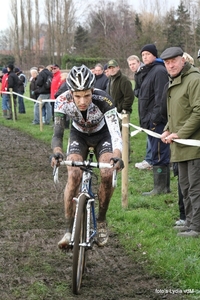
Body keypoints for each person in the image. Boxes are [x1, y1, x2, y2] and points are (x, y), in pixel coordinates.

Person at [50, 65, 124, 249]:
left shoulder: (104, 100)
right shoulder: (62, 100)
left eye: (87, 95)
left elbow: (116, 134)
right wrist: (58, 151)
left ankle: (101, 220)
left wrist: (117, 156)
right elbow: (58, 133)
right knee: (74, 175)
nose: (82, 101)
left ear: (93, 90)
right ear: (70, 93)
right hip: (79, 135)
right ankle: (68, 230)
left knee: (107, 174)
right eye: (77, 96)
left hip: (103, 135)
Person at [160, 46, 200, 237]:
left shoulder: (194, 79)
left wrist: (180, 134)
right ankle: (190, 222)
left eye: (173, 61)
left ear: (183, 60)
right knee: (184, 186)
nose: (170, 65)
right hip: (181, 145)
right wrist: (168, 128)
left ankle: (197, 226)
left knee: (195, 187)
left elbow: (198, 111)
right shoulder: (175, 80)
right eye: (167, 63)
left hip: (194, 145)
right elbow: (176, 111)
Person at [138, 44, 170, 195]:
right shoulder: (149, 71)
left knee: (159, 153)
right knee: (157, 152)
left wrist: (155, 119)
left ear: (154, 55)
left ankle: (161, 188)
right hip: (149, 120)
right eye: (143, 54)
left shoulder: (159, 71)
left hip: (156, 121)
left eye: (147, 54)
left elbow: (161, 98)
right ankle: (162, 187)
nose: (144, 57)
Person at [127, 55, 152, 170]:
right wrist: (138, 92)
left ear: (139, 62)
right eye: (130, 65)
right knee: (149, 133)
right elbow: (137, 89)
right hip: (143, 106)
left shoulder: (143, 72)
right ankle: (149, 158)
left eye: (134, 64)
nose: (132, 66)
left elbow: (144, 89)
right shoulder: (137, 73)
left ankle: (150, 160)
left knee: (152, 134)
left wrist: (138, 92)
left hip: (149, 106)